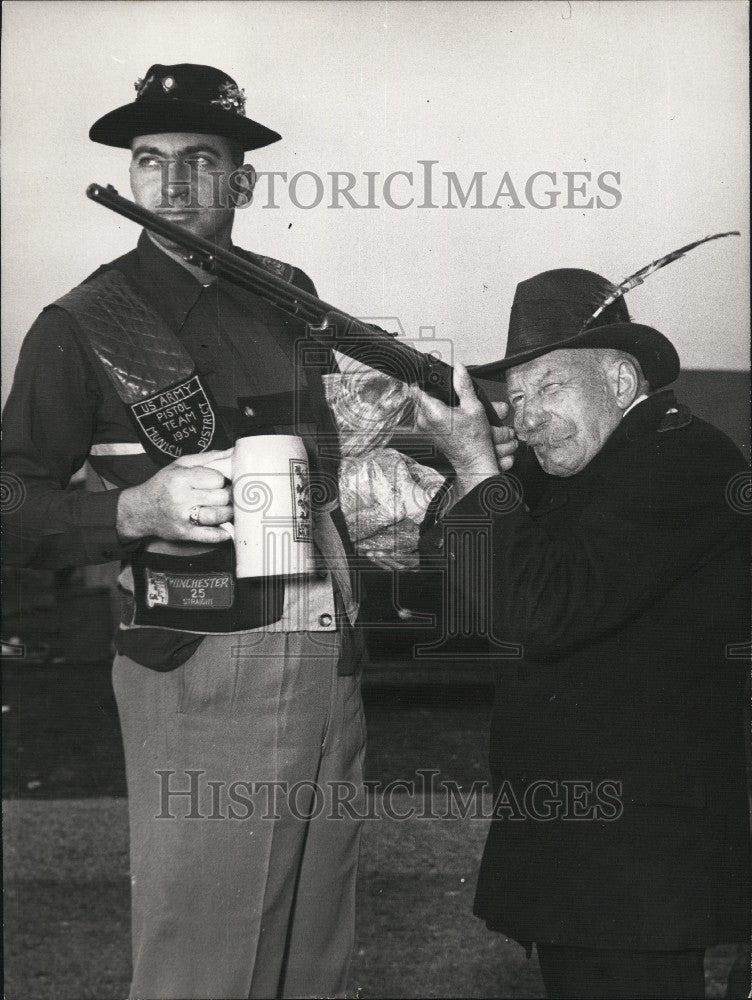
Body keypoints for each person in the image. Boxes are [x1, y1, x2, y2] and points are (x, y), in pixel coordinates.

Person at [3, 64, 367, 1000]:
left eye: (200, 160)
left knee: (311, 939)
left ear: (241, 181)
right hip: (200, 653)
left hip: (327, 644)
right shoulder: (81, 322)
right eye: (149, 160)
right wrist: (133, 509)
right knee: (207, 950)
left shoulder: (290, 292)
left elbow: (322, 451)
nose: (171, 184)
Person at [414, 267, 750, 998]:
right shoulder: (586, 470)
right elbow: (474, 593)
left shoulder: (685, 459)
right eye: (517, 397)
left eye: (551, 386)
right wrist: (476, 480)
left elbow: (538, 610)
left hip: (638, 870)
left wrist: (476, 464)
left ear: (623, 384)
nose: (527, 419)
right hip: (585, 858)